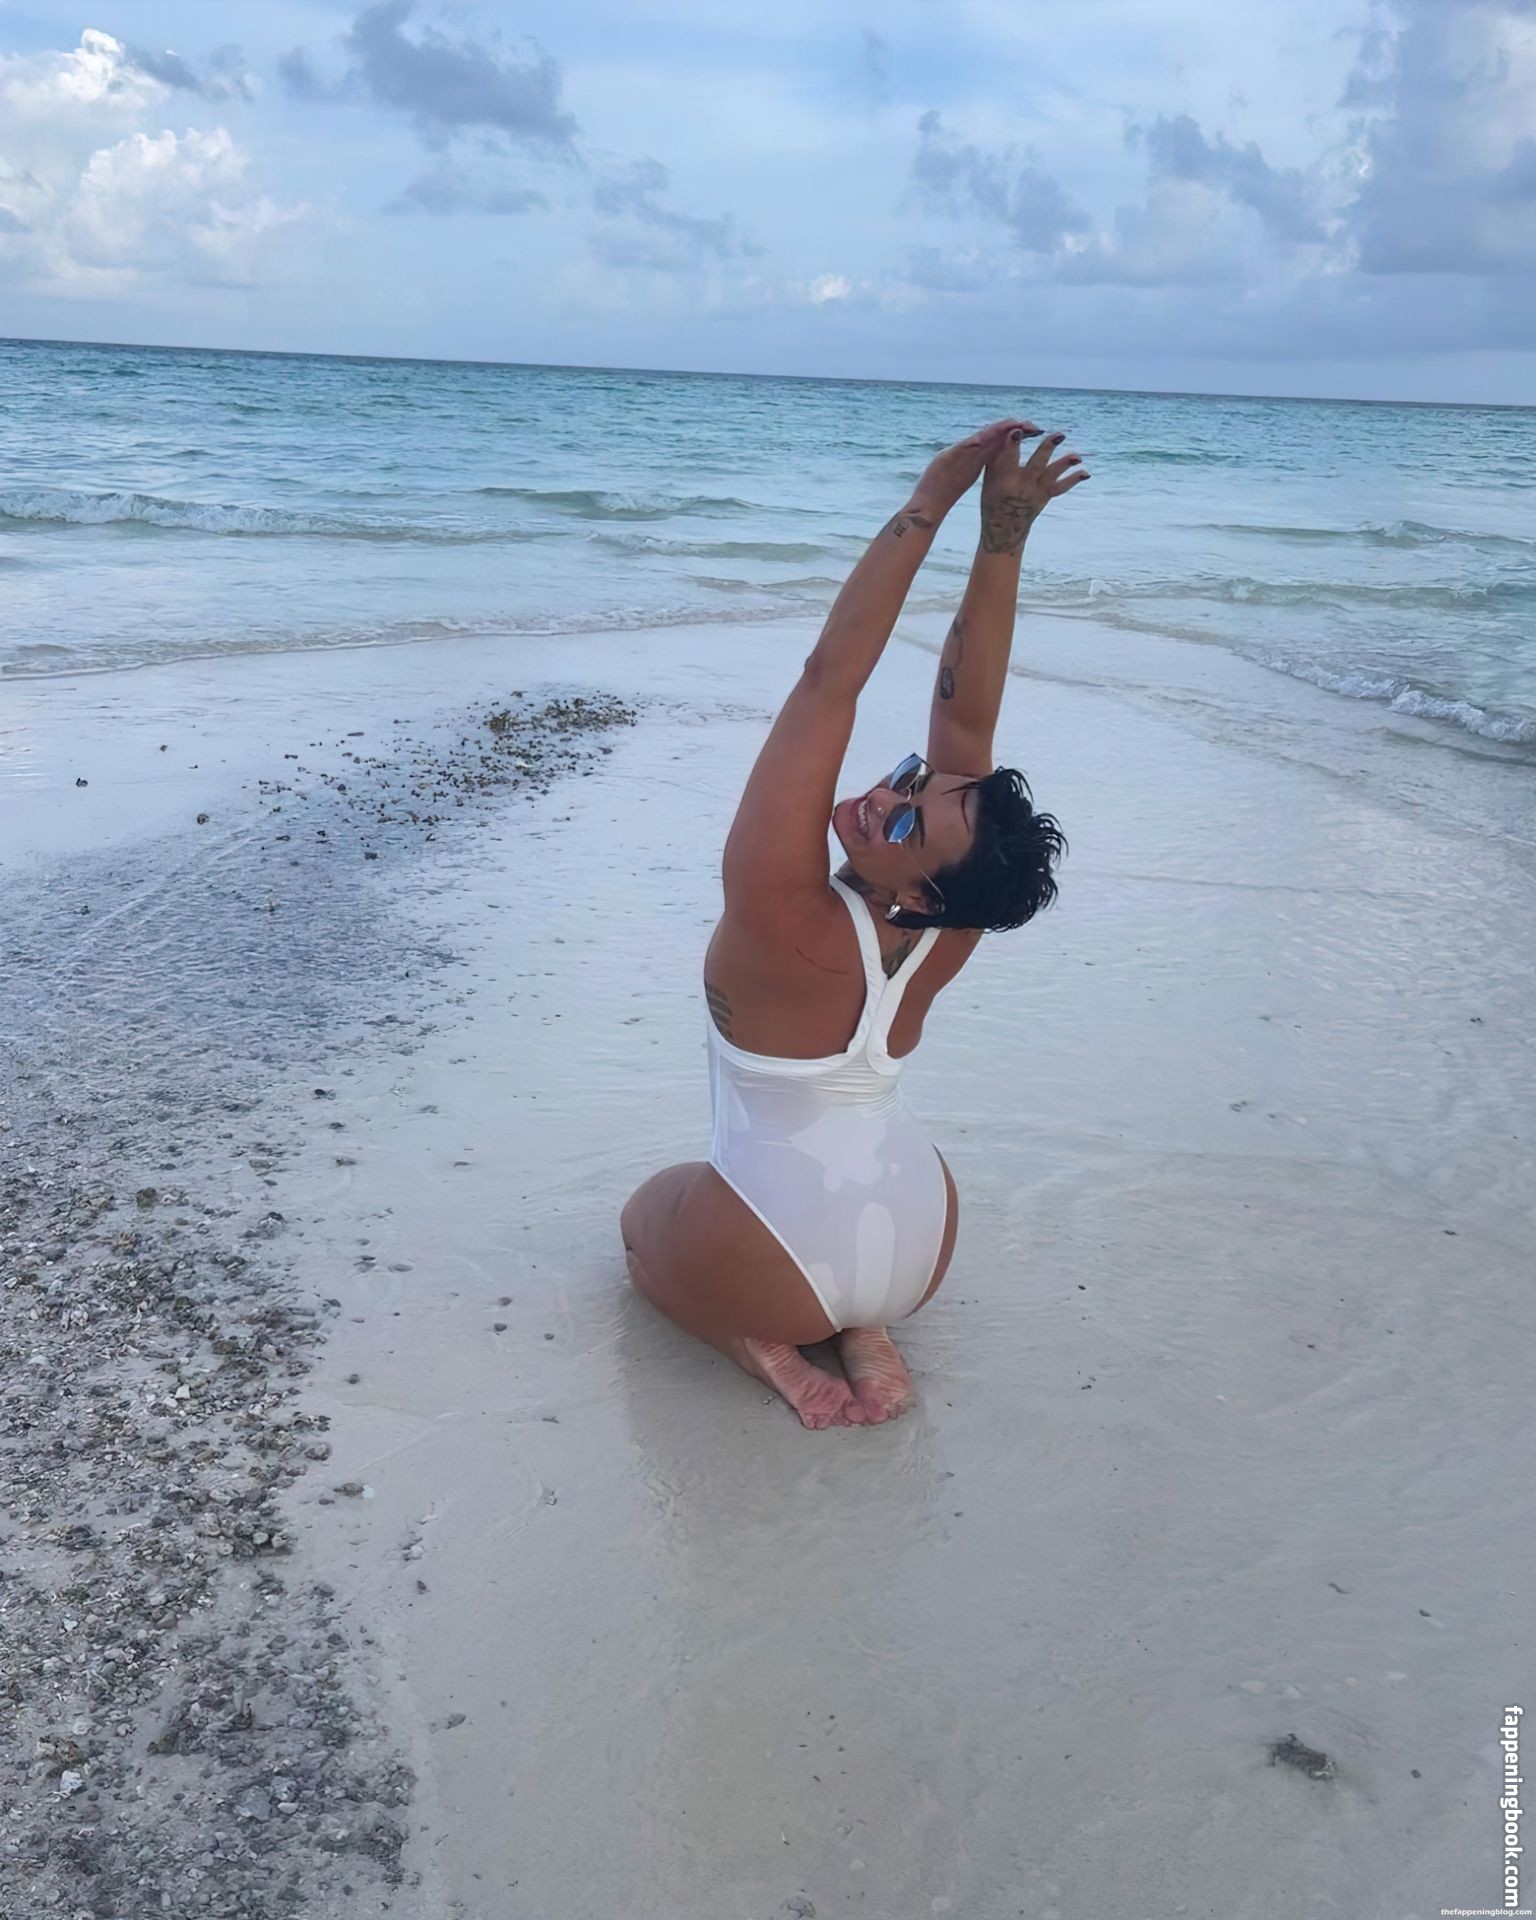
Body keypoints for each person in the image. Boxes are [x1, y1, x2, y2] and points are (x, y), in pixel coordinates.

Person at [620, 418, 1088, 1429]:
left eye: (906, 821)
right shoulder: (956, 919)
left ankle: (763, 1343)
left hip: (777, 1253)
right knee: (801, 1204)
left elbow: (830, 678)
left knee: (644, 1219)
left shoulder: (782, 909)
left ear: (920, 892)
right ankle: (868, 1331)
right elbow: (966, 721)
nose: (885, 795)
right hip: (920, 1240)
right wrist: (1003, 536)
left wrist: (928, 504)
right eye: (910, 779)